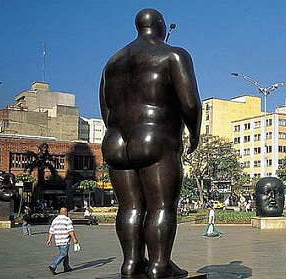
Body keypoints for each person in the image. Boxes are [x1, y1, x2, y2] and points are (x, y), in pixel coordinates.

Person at [100, 8, 202, 278]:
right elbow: (190, 103)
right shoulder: (173, 55)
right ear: (160, 26)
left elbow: (106, 110)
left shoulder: (112, 63)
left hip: (115, 140)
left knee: (129, 207)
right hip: (154, 136)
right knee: (160, 206)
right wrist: (194, 132)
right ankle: (159, 264)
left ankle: (131, 263)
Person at [46, 206, 79, 275]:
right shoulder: (67, 219)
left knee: (65, 253)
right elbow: (70, 230)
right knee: (63, 254)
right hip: (65, 240)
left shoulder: (55, 220)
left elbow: (51, 230)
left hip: (58, 240)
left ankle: (66, 267)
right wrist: (74, 239)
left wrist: (49, 239)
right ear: (66, 213)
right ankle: (53, 266)